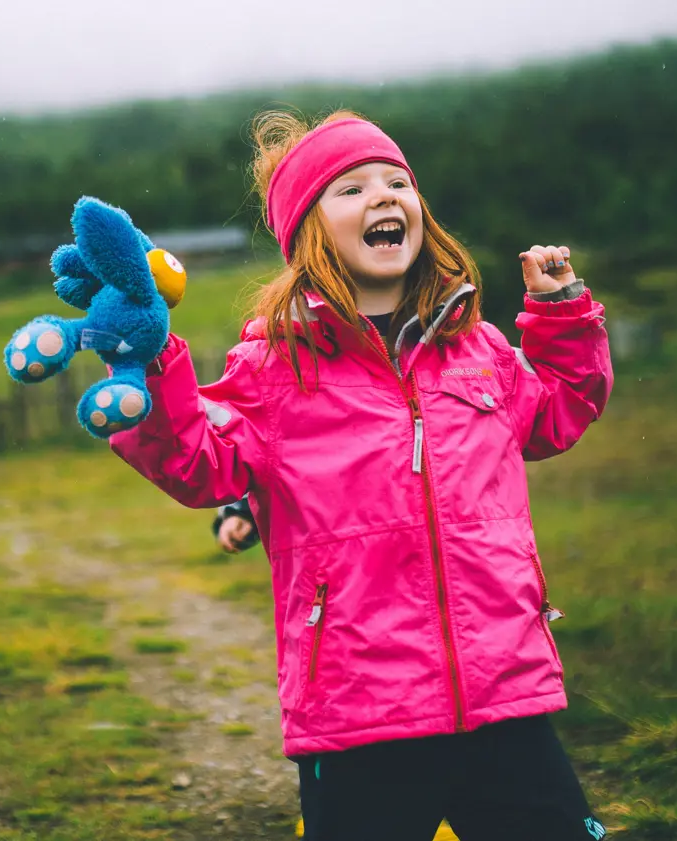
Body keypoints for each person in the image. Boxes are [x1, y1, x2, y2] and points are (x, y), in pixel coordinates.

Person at [109, 110, 613, 840]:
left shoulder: (479, 350)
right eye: (351, 189)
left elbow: (561, 408)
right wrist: (149, 364)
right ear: (310, 234)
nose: (383, 197)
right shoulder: (275, 370)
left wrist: (563, 314)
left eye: (397, 182)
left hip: (504, 692)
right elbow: (196, 461)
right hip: (357, 711)